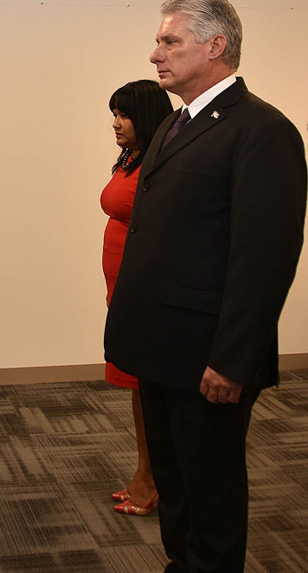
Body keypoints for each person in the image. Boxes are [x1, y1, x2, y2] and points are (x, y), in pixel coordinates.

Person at [105, 0, 307, 572]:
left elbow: (264, 258)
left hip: (208, 358)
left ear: (215, 46)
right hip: (160, 347)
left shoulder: (263, 131)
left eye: (169, 42)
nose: (155, 54)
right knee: (175, 486)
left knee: (211, 494)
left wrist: (233, 360)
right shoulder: (174, 122)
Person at [100, 80, 173, 516]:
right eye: (114, 114)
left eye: (124, 115)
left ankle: (151, 479)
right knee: (138, 386)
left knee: (148, 386)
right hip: (121, 286)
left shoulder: (162, 161)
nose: (115, 123)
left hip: (143, 286)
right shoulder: (132, 158)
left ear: (145, 117)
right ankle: (146, 471)